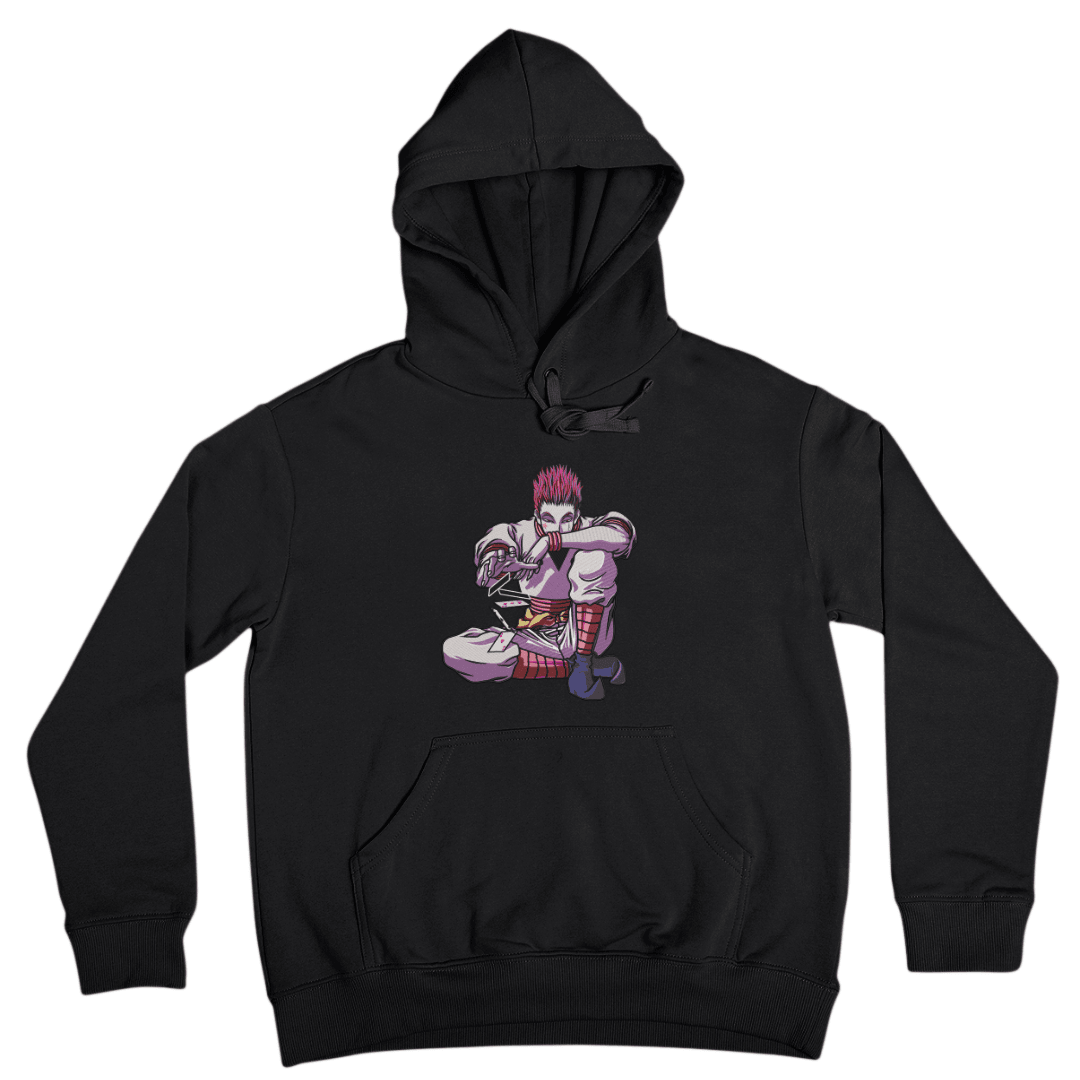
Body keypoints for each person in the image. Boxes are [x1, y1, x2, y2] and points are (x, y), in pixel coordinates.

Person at [443, 465, 635, 699]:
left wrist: (551, 541)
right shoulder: (519, 532)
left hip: (586, 633)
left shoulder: (593, 527)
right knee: (455, 651)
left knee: (595, 556)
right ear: (537, 515)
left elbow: (620, 537)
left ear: (577, 514)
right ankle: (582, 666)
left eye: (567, 519)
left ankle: (583, 664)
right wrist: (494, 560)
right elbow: (497, 541)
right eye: (548, 520)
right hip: (533, 633)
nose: (557, 527)